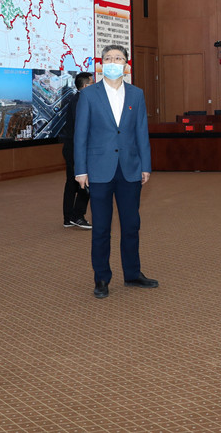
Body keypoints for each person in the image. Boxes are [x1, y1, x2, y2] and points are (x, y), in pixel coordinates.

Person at [75, 45, 156, 299]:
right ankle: (101, 278)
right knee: (101, 228)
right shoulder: (89, 95)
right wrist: (80, 169)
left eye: (118, 58)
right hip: (99, 170)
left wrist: (145, 165)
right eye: (108, 58)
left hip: (130, 169)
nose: (113, 62)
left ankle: (132, 274)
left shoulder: (136, 94)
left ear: (126, 65)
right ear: (101, 65)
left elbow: (141, 131)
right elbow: (80, 135)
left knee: (131, 225)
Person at [61, 71, 94, 229]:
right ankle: (77, 216)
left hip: (71, 146)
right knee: (84, 181)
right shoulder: (81, 101)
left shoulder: (77, 99)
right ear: (86, 86)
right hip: (78, 148)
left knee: (72, 183)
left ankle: (68, 217)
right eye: (92, 83)